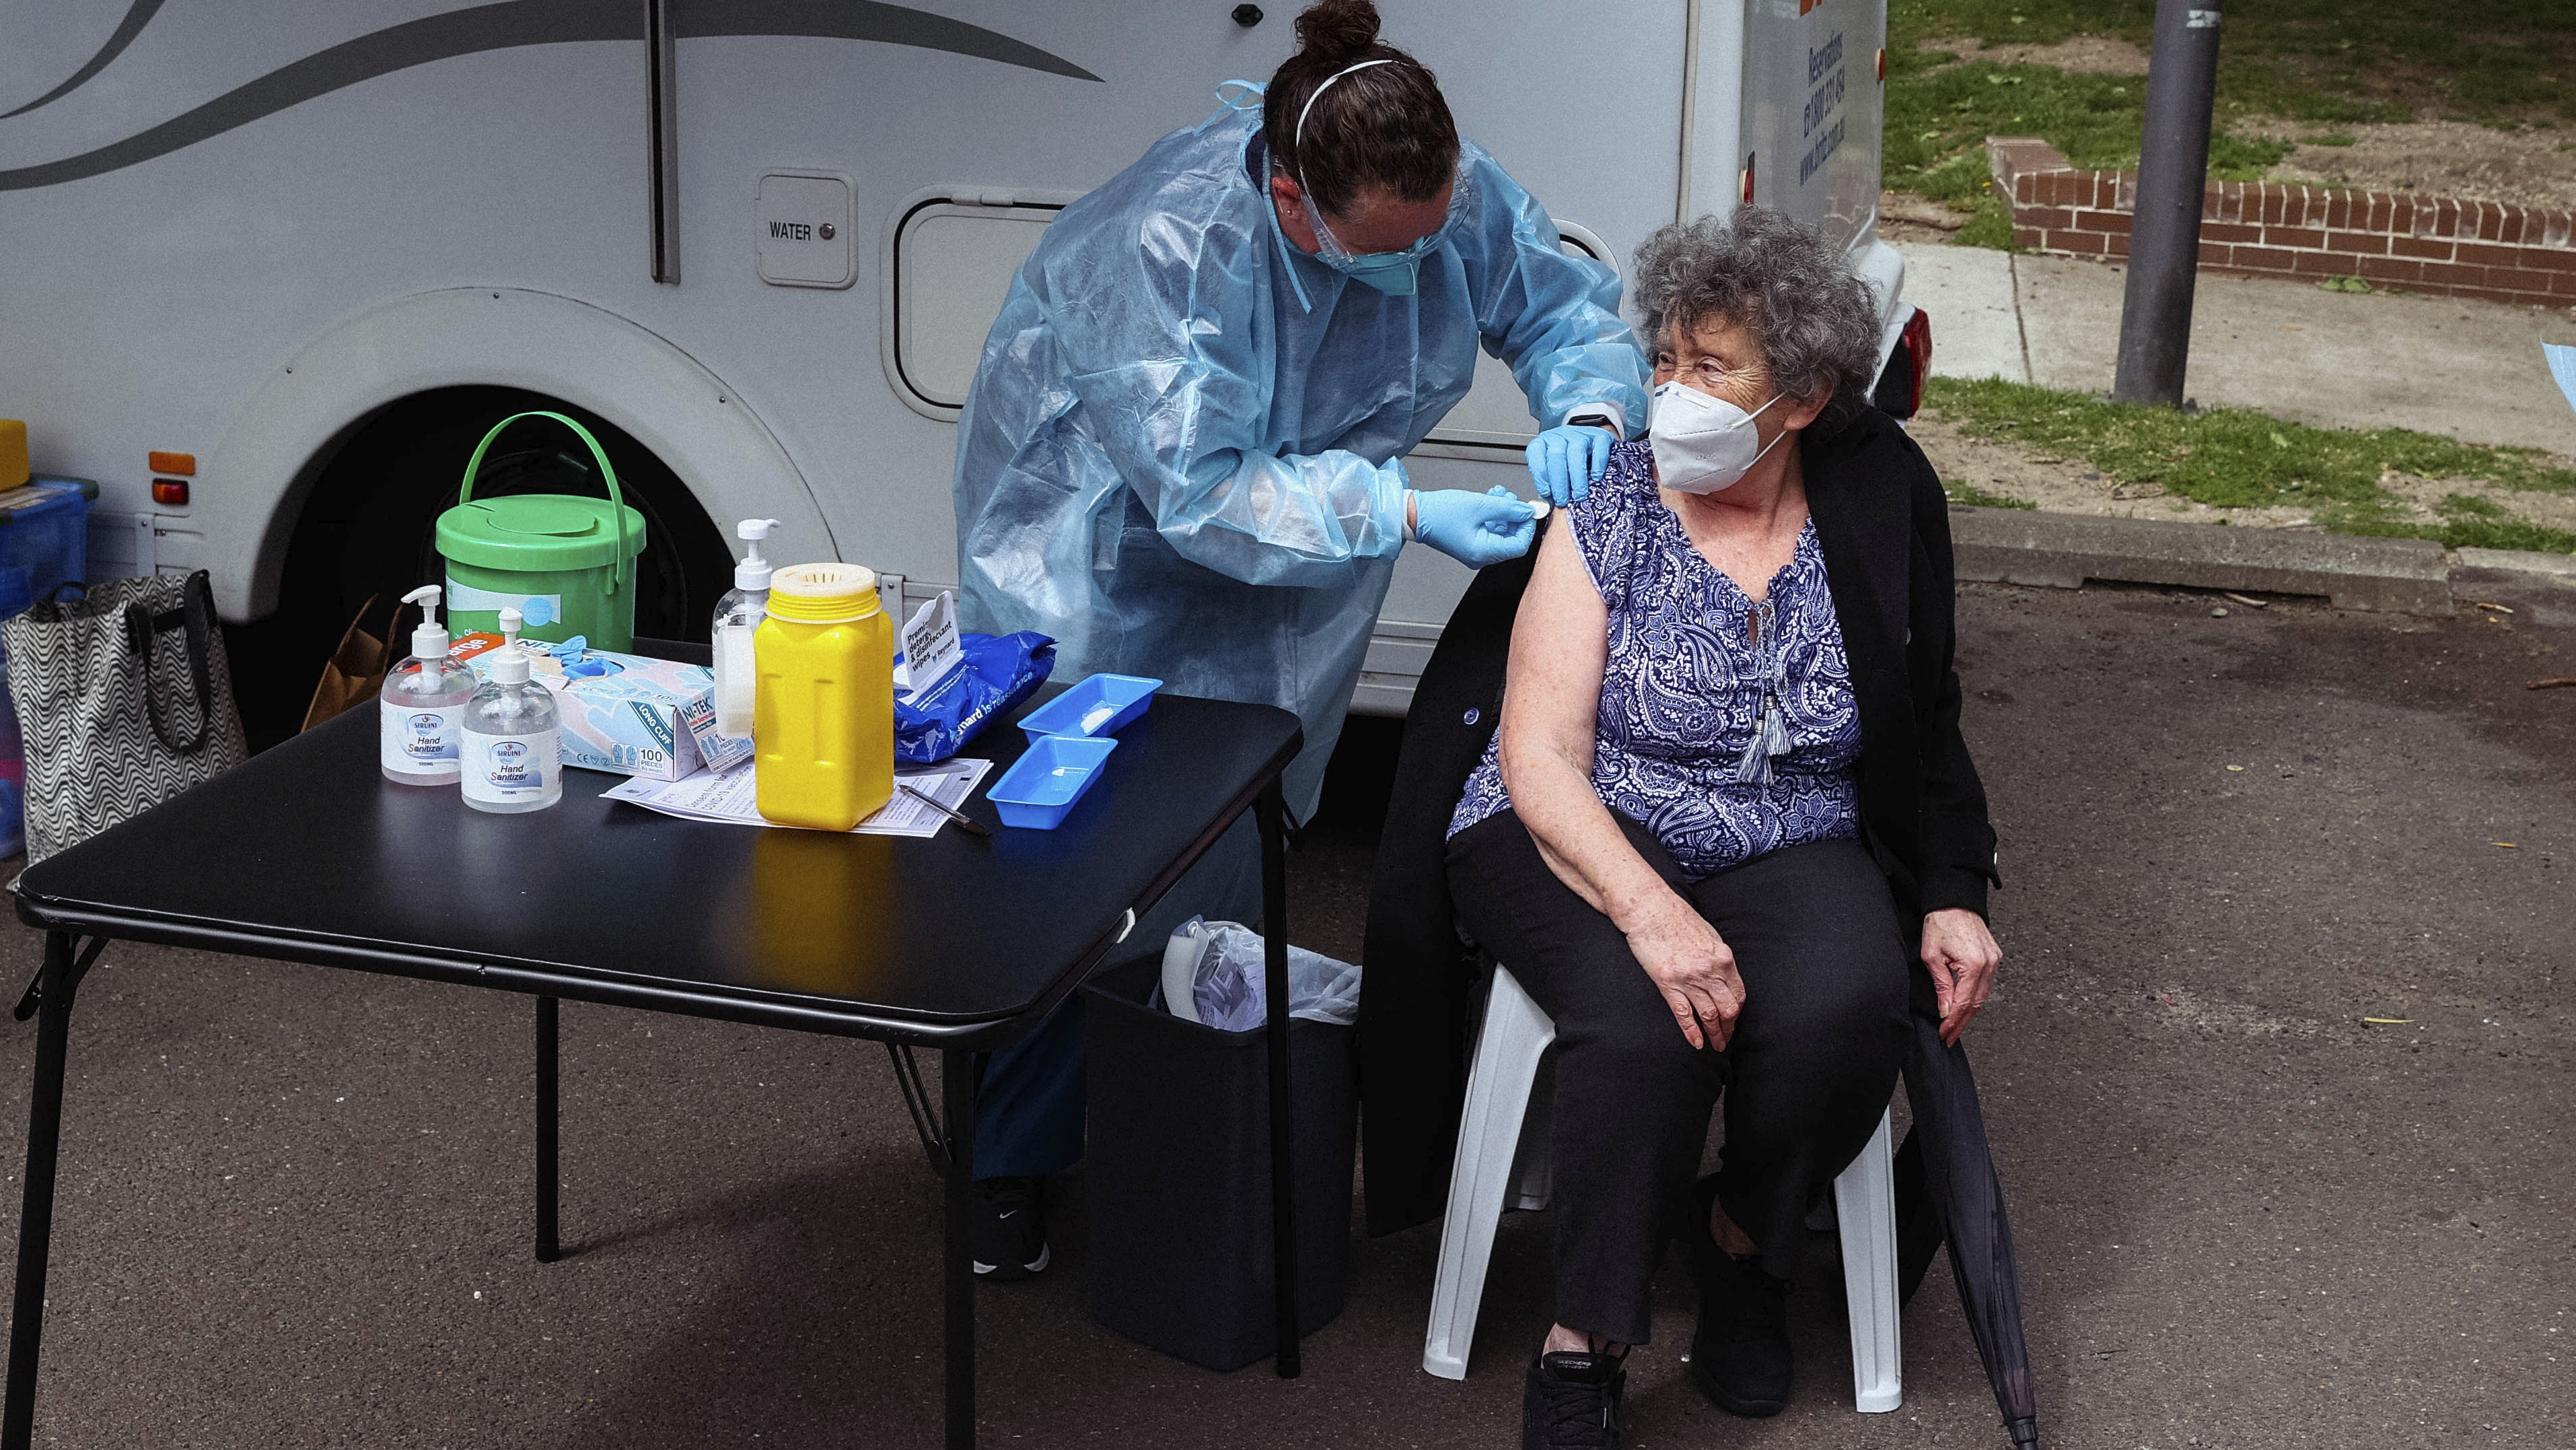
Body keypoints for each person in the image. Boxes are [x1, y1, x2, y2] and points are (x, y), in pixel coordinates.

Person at [948, 0, 1649, 1280]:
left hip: (1301, 563)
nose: (1412, 270)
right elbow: (1201, 490)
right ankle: (1009, 1159)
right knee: (1076, 855)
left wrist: (1591, 407)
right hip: (1099, 560)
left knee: (1237, 831)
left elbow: (1559, 308)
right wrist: (1401, 506)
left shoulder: (1437, 192)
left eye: (1429, 241)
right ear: (1289, 198)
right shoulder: (1166, 241)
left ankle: (1182, 1113)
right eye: (1382, 254)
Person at [1437, 207, 2003, 1449]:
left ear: (1802, 397)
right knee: (1645, 1023)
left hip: (1789, 826)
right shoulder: (1617, 503)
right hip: (1580, 822)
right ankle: (1583, 1344)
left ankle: (1744, 1238)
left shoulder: (1880, 497)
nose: (1670, 393)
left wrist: (1956, 884)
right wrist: (1650, 910)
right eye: (1665, 362)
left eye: (1711, 368)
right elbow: (1537, 757)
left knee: (1851, 1003)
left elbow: (1930, 708)